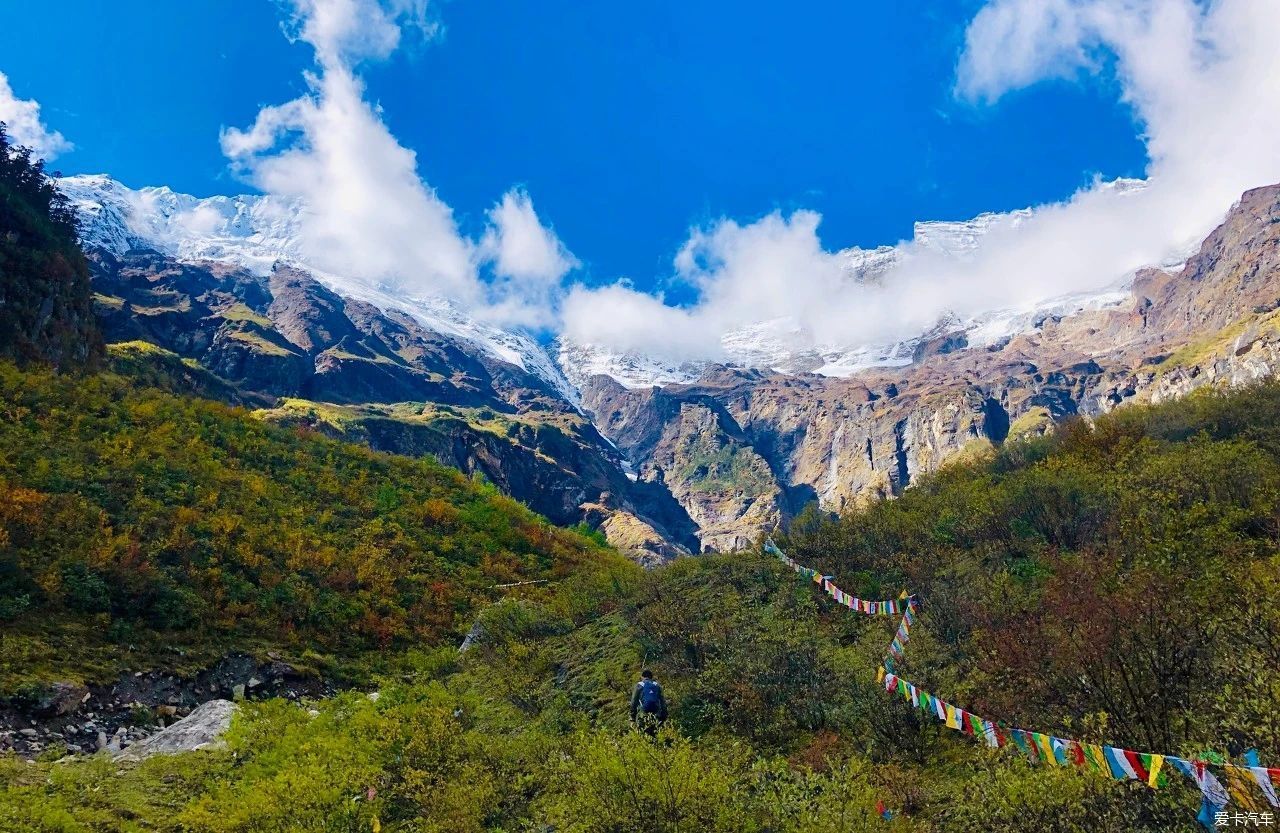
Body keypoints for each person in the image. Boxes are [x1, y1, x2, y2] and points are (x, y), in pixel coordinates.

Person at [629, 669, 667, 734]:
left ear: (642, 677)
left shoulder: (639, 685)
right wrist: (664, 716)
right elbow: (662, 701)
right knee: (657, 734)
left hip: (643, 714)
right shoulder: (657, 685)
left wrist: (632, 716)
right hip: (656, 713)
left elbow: (633, 702)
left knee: (643, 734)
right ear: (651, 677)